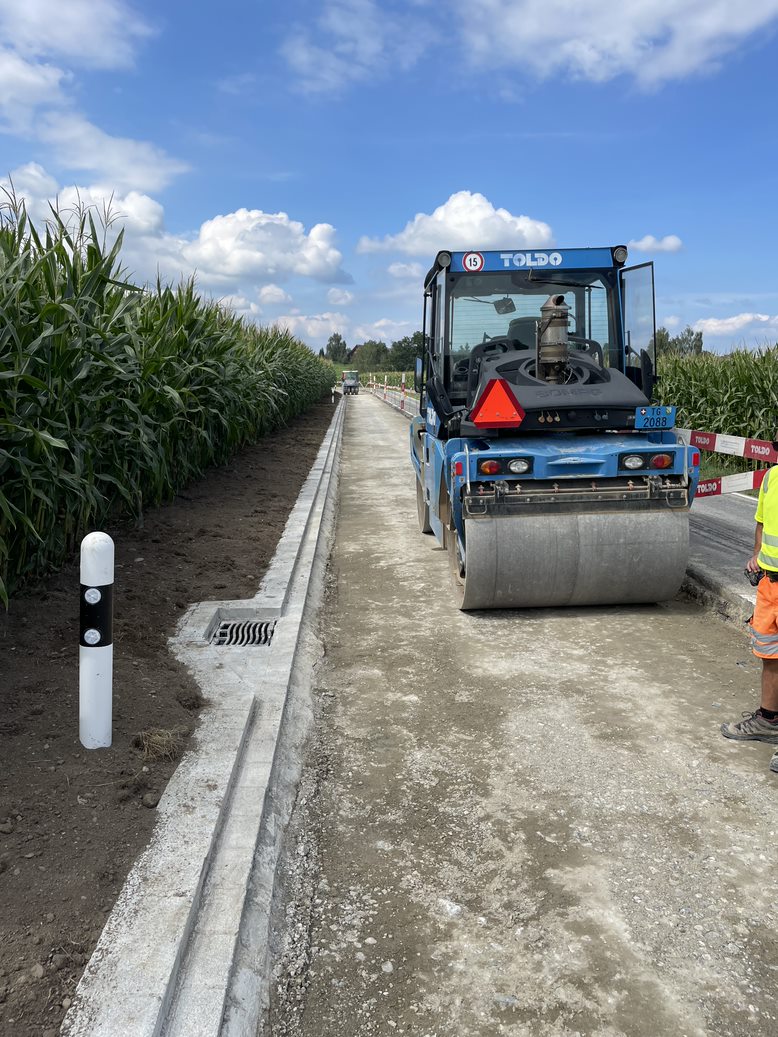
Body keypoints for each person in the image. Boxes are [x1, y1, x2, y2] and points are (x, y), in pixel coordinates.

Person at [721, 465, 778, 772]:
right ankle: (768, 721)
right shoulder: (771, 477)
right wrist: (756, 554)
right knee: (771, 655)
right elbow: (762, 523)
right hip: (770, 584)